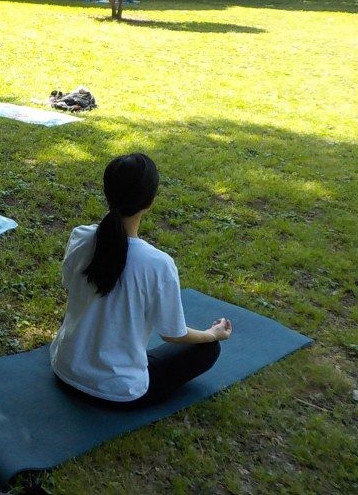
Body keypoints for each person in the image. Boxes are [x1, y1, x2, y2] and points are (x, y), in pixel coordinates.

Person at [50, 153, 232, 408]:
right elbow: (173, 334)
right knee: (207, 349)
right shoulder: (157, 263)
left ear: (107, 191)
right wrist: (211, 334)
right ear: (150, 201)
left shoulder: (81, 237)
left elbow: (70, 284)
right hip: (118, 391)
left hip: (65, 369)